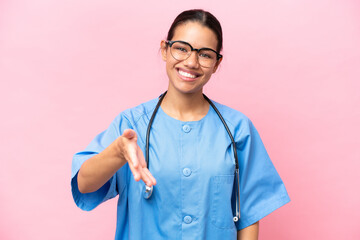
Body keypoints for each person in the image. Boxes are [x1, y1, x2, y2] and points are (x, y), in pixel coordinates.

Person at [71, 9, 290, 240]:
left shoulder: (237, 130)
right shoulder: (131, 125)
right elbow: (85, 185)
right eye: (181, 48)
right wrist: (117, 152)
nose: (191, 62)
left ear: (217, 63)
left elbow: (249, 213)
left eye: (205, 54)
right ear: (165, 50)